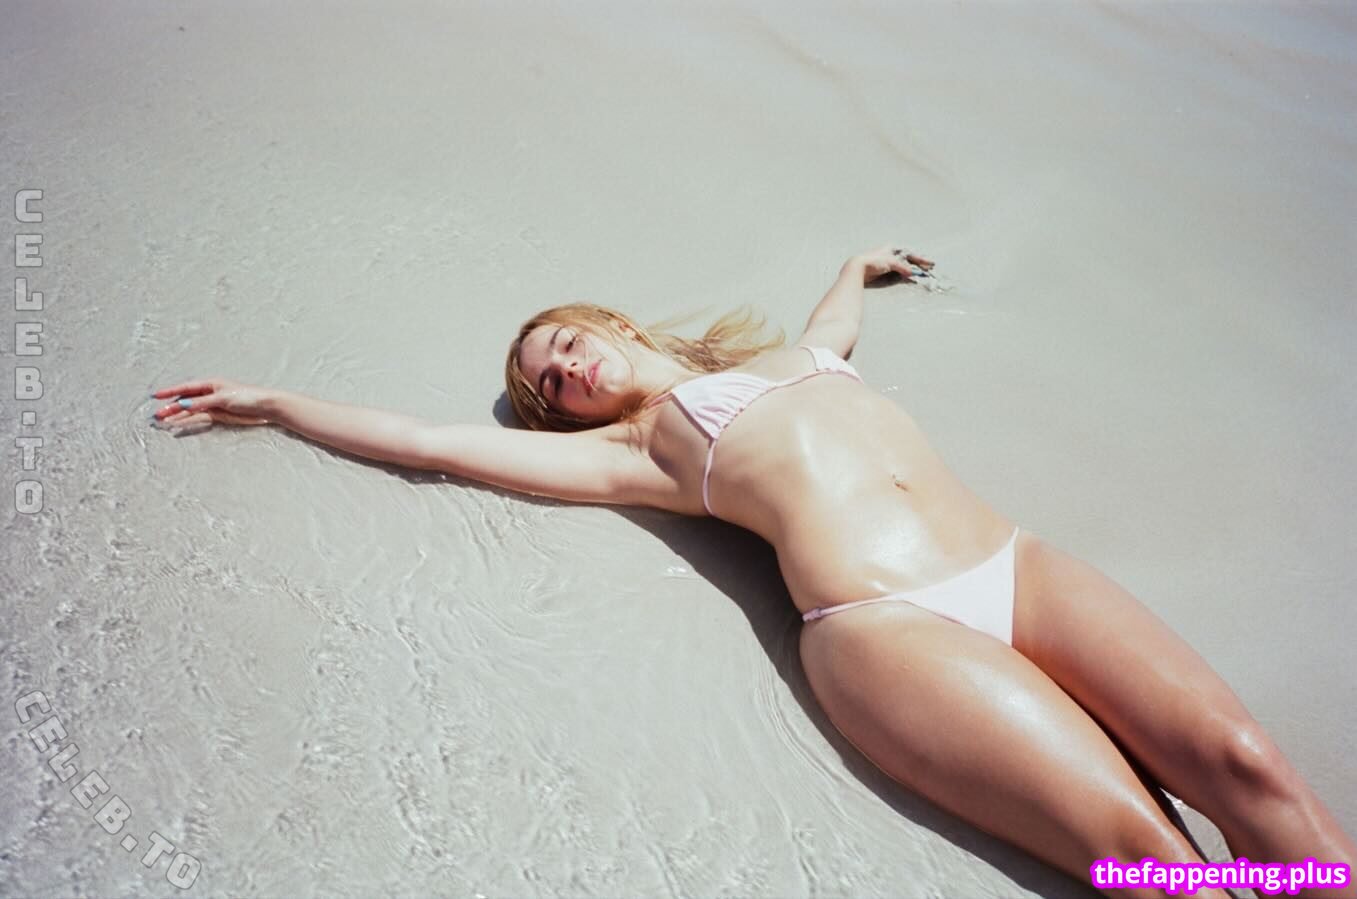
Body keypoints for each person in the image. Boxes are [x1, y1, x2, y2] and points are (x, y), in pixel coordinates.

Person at [152, 245, 1355, 898]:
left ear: (610, 322)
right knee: (1148, 859)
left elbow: (831, 329)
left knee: (1246, 764)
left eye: (563, 343)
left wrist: (857, 263)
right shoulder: (634, 454)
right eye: (548, 384)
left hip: (1011, 562)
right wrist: (280, 402)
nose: (563, 370)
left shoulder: (790, 356)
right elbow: (430, 441)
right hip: (888, 630)